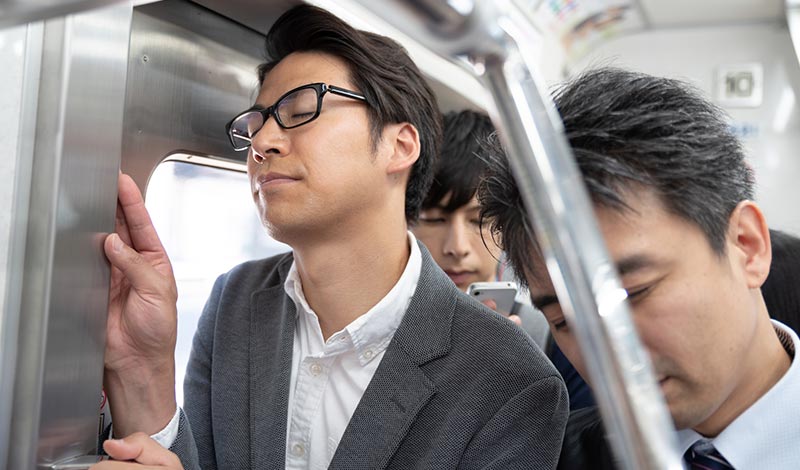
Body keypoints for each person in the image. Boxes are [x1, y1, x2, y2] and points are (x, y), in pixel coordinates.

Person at [93, 5, 568, 470]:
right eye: (255, 126)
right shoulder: (234, 302)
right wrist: (143, 370)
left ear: (399, 145)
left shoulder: (509, 378)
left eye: (301, 110)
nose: (262, 143)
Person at [479, 67, 800, 469]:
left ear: (746, 246)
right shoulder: (548, 456)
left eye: (632, 294)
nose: (608, 352)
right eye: (565, 320)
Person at [411, 109, 595, 410]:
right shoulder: (374, 331)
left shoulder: (552, 333)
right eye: (434, 220)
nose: (457, 247)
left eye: (479, 221)